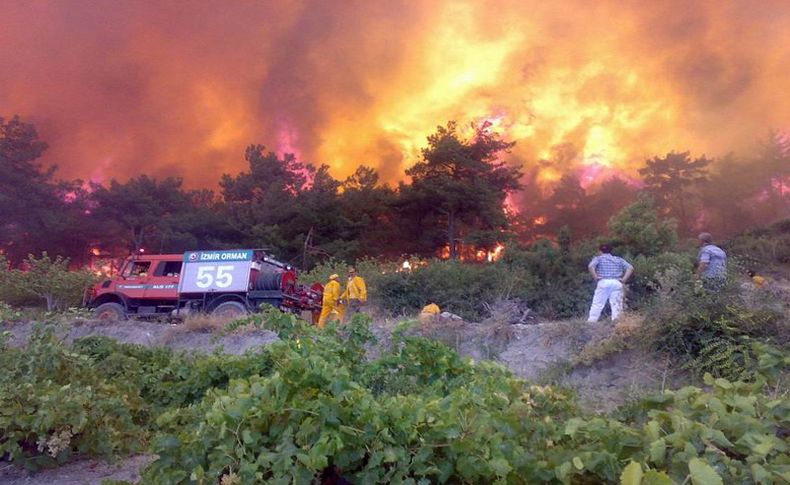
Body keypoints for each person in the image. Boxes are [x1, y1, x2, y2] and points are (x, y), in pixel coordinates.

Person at [587, 244, 634, 323]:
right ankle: (617, 322)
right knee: (617, 305)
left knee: (598, 303)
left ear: (600, 251)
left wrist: (595, 277)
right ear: (611, 251)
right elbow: (630, 268)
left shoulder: (598, 258)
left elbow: (590, 266)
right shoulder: (618, 259)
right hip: (616, 282)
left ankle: (592, 322)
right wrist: (624, 279)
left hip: (603, 281)